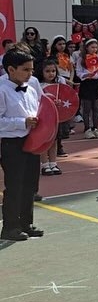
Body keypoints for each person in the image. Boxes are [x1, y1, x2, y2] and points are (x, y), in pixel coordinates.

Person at [0, 49, 44, 241]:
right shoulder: (1, 90)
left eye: (31, 70)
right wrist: (22, 122)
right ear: (11, 69)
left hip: (32, 142)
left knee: (30, 185)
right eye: (25, 70)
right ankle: (10, 227)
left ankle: (26, 222)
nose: (30, 74)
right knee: (14, 185)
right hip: (12, 143)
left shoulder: (31, 89)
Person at [38, 59, 64, 176]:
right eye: (47, 71)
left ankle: (53, 163)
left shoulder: (59, 84)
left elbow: (66, 99)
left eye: (53, 71)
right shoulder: (39, 85)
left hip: (56, 117)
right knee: (44, 141)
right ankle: (44, 164)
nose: (51, 74)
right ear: (42, 72)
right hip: (43, 117)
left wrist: (59, 102)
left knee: (54, 140)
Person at [76, 38, 98, 138]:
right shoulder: (81, 59)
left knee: (96, 107)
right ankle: (87, 129)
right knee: (87, 108)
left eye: (96, 47)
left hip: (96, 83)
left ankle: (95, 128)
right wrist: (86, 75)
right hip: (87, 83)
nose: (94, 49)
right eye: (92, 47)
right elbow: (78, 72)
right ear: (87, 48)